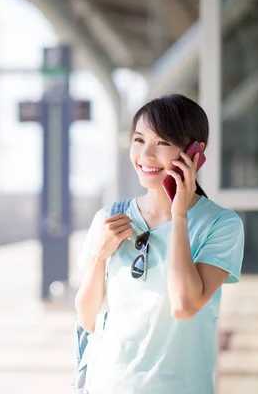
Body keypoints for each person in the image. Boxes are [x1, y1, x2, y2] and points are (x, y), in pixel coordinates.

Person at [74, 94, 245, 394]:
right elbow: (88, 318)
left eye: (162, 143)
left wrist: (178, 215)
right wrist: (98, 256)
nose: (146, 155)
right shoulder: (109, 219)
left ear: (194, 151)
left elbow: (184, 305)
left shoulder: (221, 225)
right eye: (139, 140)